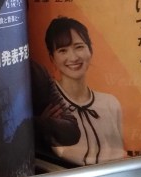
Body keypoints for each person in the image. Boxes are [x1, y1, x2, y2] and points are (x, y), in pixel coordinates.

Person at [44, 16, 126, 166]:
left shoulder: (111, 103)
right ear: (52, 58)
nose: (73, 57)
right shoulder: (49, 104)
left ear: (90, 50)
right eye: (63, 50)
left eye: (79, 47)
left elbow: (120, 157)